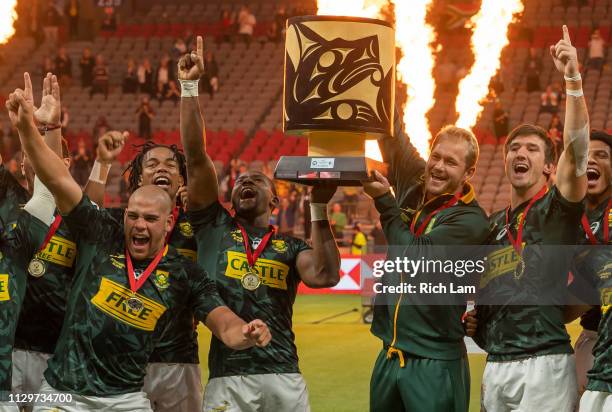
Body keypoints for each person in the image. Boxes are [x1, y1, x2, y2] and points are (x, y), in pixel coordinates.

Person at [7, 74, 272, 411]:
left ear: (170, 220)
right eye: (133, 216)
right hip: (65, 391)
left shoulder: (184, 270)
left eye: (149, 219)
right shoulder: (105, 231)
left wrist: (244, 333)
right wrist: (29, 129)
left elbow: (222, 321)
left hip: (129, 396)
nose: (139, 225)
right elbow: (58, 179)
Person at [178, 36, 341, 412]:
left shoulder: (291, 247)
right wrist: (190, 87)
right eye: (239, 182)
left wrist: (318, 208)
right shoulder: (213, 225)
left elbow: (324, 274)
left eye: (256, 180)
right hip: (228, 375)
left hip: (283, 372)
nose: (245, 182)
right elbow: (197, 158)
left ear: (275, 199)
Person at [474, 26, 590, 412]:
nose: (519, 153)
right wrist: (476, 322)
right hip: (495, 364)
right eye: (513, 148)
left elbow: (577, 150)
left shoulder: (555, 210)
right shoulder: (491, 224)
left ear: (548, 166)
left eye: (531, 149)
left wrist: (572, 78)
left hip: (544, 361)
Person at [364, 119, 489, 411]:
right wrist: (379, 75)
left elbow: (415, 259)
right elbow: (390, 131)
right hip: (389, 354)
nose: (438, 166)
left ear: (468, 173)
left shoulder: (470, 221)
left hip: (434, 362)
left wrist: (385, 201)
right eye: (436, 156)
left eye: (451, 162)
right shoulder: (414, 179)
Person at [84, 134, 214, 412]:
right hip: (121, 358)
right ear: (139, 178)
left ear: (181, 179)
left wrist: (201, 212)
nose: (162, 168)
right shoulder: (125, 219)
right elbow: (88, 216)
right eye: (152, 164)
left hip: (178, 358)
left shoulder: (200, 224)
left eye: (171, 164)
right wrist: (103, 164)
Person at [9, 74, 78, 411]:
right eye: (27, 153)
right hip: (8, 349)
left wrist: (46, 130)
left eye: (40, 154)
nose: (32, 159)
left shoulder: (80, 219)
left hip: (54, 351)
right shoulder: (10, 210)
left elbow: (50, 187)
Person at [565, 130, 611, 411]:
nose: (591, 160)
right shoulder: (563, 221)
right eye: (585, 156)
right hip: (592, 335)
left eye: (602, 155)